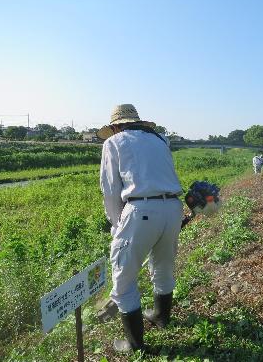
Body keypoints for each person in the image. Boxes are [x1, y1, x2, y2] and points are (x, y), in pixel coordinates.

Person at [98, 104, 183, 353]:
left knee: (123, 280)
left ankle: (135, 345)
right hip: (172, 207)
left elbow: (111, 189)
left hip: (142, 210)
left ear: (115, 126)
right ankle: (161, 316)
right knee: (164, 265)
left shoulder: (113, 143)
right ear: (138, 122)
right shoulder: (160, 139)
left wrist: (116, 224)